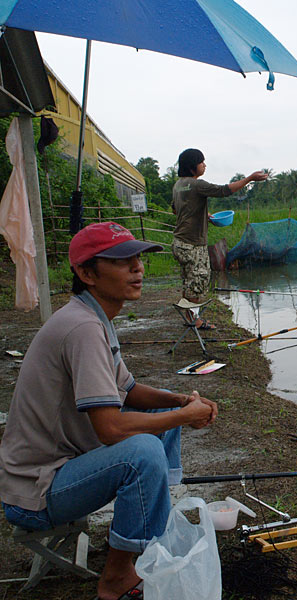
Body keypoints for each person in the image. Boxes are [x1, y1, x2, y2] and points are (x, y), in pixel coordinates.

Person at [0, 222, 218, 600]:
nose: (138, 268)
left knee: (158, 425)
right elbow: (111, 430)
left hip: (63, 470)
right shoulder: (82, 328)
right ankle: (117, 578)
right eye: (122, 261)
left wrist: (180, 401)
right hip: (36, 491)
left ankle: (151, 534)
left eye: (138, 259)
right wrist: (184, 416)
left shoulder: (94, 318)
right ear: (87, 274)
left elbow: (128, 390)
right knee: (143, 451)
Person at [172, 148, 268, 329]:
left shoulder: (178, 185)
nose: (205, 165)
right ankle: (194, 320)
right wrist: (249, 179)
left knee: (189, 279)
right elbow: (224, 191)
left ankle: (189, 316)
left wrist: (204, 214)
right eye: (202, 162)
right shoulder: (196, 185)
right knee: (199, 280)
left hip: (179, 242)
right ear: (193, 167)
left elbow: (176, 209)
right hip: (193, 243)